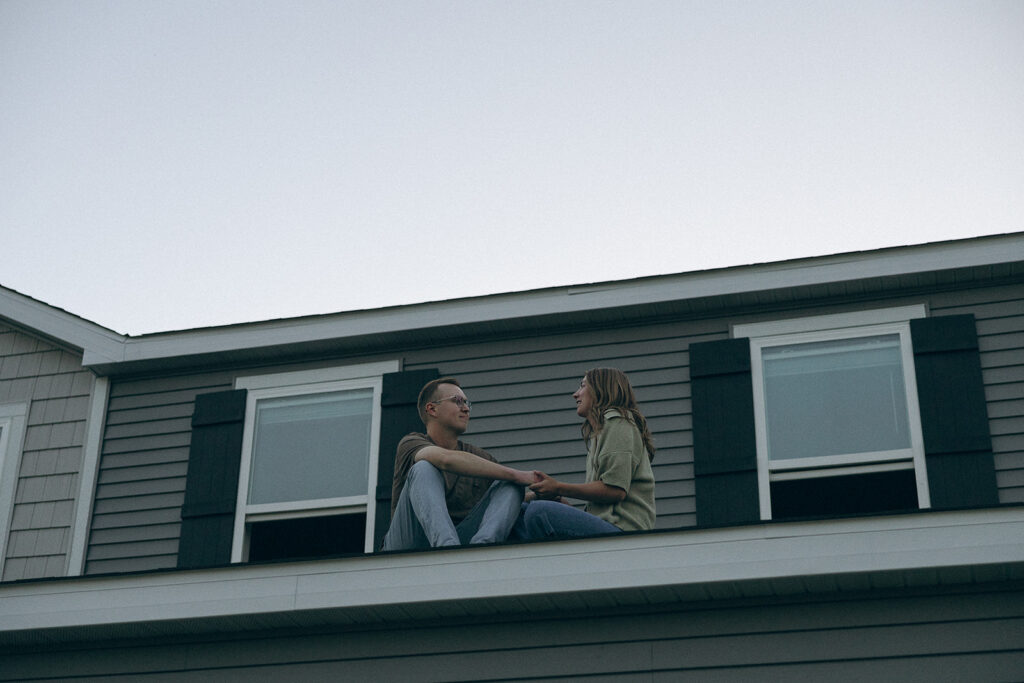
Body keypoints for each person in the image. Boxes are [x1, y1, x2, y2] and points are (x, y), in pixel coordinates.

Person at [381, 376, 539, 551]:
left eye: (467, 403)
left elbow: (498, 504)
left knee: (510, 483)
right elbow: (445, 459)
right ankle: (448, 551)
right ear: (432, 409)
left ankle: (482, 549)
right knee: (423, 467)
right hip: (407, 543)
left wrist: (536, 495)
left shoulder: (480, 457)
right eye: (457, 401)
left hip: (462, 538)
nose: (465, 409)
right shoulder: (411, 443)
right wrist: (518, 474)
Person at [521, 368, 656, 539]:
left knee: (539, 512)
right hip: (605, 525)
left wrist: (558, 487)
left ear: (601, 389)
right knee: (521, 512)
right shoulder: (601, 432)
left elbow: (615, 490)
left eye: (583, 386)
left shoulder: (619, 424)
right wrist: (559, 500)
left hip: (624, 533)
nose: (575, 394)